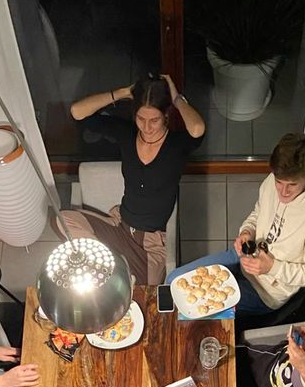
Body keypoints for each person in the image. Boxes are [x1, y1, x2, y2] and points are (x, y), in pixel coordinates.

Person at [167, 132, 305, 317]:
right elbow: (258, 211)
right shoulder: (272, 181)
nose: (283, 192)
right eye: (279, 182)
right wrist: (247, 231)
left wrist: (272, 267)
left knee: (185, 310)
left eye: (291, 185)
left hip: (266, 290)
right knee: (172, 280)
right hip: (243, 256)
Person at [60, 74, 205, 284]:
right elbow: (77, 112)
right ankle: (109, 260)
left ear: (166, 115)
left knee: (145, 293)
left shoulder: (176, 145)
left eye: (154, 120)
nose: (146, 127)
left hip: (150, 241)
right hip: (120, 224)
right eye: (140, 118)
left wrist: (176, 99)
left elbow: (197, 129)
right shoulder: (126, 133)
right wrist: (122, 93)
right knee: (61, 220)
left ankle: (114, 264)